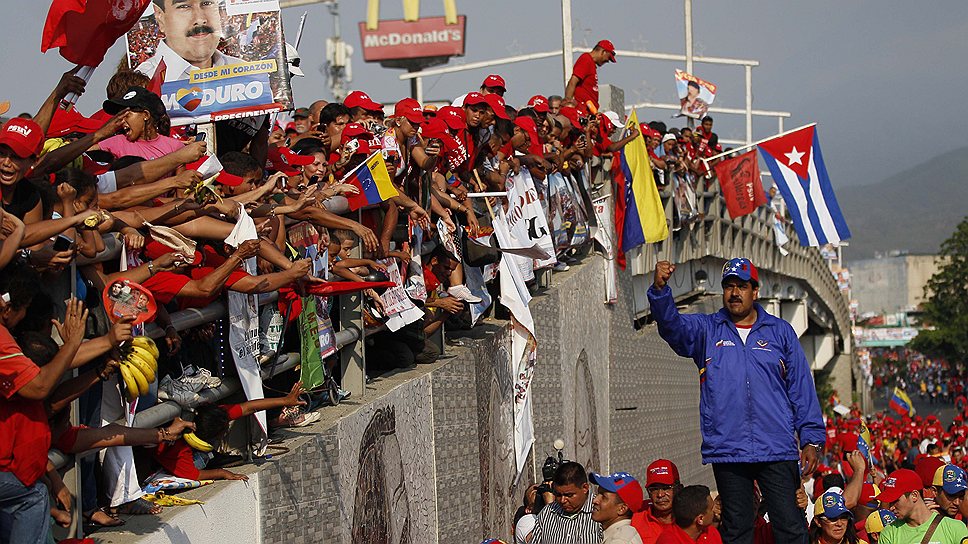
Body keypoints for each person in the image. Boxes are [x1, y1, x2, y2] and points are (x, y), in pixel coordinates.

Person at [648, 258, 827, 543]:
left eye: (742, 286)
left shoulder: (780, 332)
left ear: (755, 291)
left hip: (776, 447)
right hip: (729, 447)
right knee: (737, 528)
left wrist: (812, 439)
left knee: (790, 526)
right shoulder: (707, 330)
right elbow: (673, 328)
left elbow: (801, 389)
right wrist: (660, 290)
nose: (735, 292)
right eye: (729, 286)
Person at [136, 0, 245, 82]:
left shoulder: (244, 72)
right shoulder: (145, 81)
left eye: (207, 3)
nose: (200, 19)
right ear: (160, 17)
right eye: (184, 6)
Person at [876, 468, 968, 543]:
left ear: (914, 496)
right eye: (890, 502)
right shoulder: (889, 533)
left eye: (896, 501)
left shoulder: (955, 528)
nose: (891, 508)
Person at [532, 461, 602, 544]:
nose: (562, 500)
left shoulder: (601, 512)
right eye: (558, 495)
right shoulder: (547, 513)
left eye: (569, 495)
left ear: (585, 488)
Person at [632, 459, 680, 543]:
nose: (660, 495)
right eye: (654, 489)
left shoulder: (690, 519)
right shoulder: (636, 520)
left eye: (666, 488)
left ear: (678, 488)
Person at [590, 471, 645, 544]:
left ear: (622, 509)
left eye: (604, 497)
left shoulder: (620, 540)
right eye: (598, 494)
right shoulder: (620, 534)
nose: (595, 500)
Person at [655, 485, 721, 544]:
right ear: (700, 519)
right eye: (711, 508)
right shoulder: (668, 541)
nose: (715, 511)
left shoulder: (710, 532)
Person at [565, 40, 616, 112]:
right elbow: (572, 82)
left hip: (590, 110)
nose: (607, 61)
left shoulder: (591, 63)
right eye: (608, 57)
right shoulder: (586, 59)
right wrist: (568, 106)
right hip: (582, 109)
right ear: (603, 52)